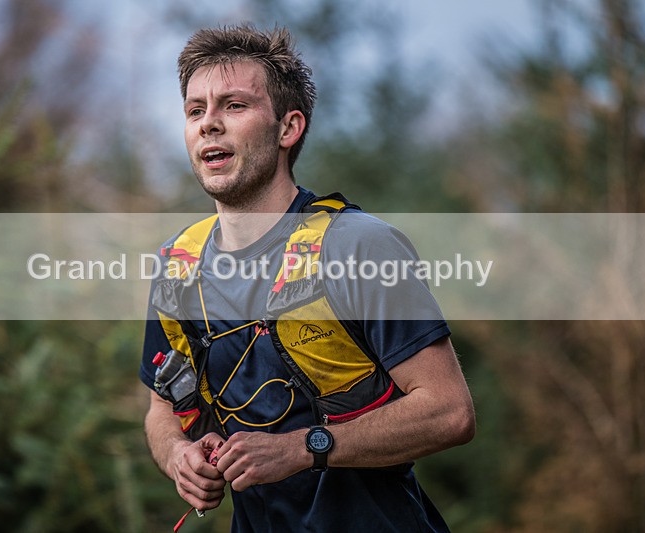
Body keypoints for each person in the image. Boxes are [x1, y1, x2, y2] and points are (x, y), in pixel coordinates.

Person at [139, 24, 475, 532]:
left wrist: (303, 448)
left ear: (288, 128)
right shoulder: (177, 265)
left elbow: (449, 412)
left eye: (233, 105)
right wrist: (179, 457)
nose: (209, 123)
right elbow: (160, 411)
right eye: (195, 110)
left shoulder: (357, 244)